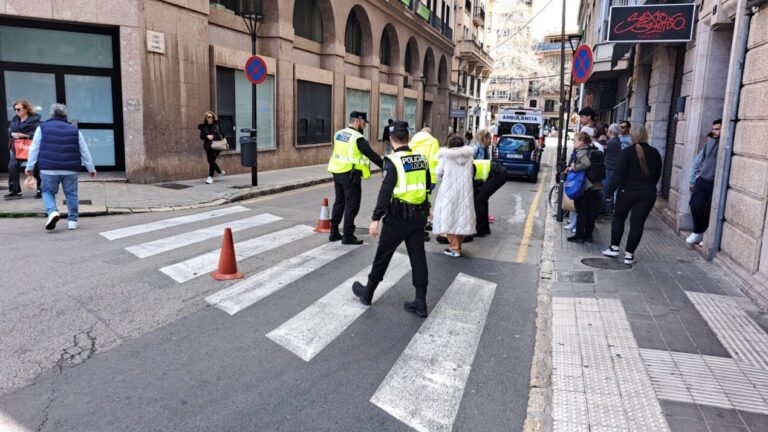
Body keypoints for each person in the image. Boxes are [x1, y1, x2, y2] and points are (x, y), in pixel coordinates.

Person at [351, 121, 431, 317]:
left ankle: (368, 292)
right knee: (418, 258)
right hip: (418, 217)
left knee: (382, 256)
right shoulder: (421, 158)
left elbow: (385, 192)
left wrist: (375, 219)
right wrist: (428, 209)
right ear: (409, 137)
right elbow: (427, 186)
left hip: (397, 218)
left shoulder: (392, 161)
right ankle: (421, 302)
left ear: (390, 139)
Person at [24, 103, 96, 231]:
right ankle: (72, 222)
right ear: (65, 115)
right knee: (71, 194)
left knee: (47, 191)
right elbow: (84, 150)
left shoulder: (43, 127)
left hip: (48, 169)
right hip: (70, 169)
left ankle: (52, 212)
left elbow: (34, 148)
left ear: (51, 114)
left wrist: (29, 166)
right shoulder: (74, 129)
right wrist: (91, 168)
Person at [602, 124, 662, 264]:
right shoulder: (655, 152)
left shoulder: (627, 152)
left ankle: (614, 248)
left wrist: (609, 192)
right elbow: (657, 175)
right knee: (637, 223)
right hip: (647, 193)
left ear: (632, 136)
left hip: (627, 192)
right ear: (646, 135)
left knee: (619, 218)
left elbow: (618, 174)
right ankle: (629, 255)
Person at [327, 111, 384, 245]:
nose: (364, 127)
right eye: (364, 123)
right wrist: (386, 167)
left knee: (339, 202)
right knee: (352, 205)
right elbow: (371, 155)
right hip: (351, 175)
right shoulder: (357, 138)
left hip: (337, 172)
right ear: (358, 121)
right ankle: (348, 235)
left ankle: (334, 232)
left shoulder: (339, 134)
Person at [432, 136, 475, 257]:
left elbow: (438, 173)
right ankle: (458, 246)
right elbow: (471, 173)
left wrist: (444, 182)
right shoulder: (469, 157)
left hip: (449, 191)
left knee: (449, 218)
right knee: (461, 218)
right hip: (465, 191)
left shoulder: (446, 157)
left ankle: (454, 249)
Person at [686, 119, 721, 246]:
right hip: (702, 180)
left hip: (715, 183)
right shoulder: (709, 143)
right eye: (713, 129)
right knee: (695, 205)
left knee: (710, 210)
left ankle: (706, 234)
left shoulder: (727, 143)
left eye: (717, 129)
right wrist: (693, 179)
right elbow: (698, 161)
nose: (714, 131)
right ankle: (698, 231)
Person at [565, 131, 601, 243]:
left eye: (574, 140)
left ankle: (579, 236)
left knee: (581, 211)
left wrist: (573, 167)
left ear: (581, 141)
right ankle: (588, 235)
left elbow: (586, 164)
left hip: (585, 186)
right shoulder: (593, 149)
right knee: (591, 211)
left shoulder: (581, 152)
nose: (573, 143)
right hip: (595, 185)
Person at [472, 129, 506, 237]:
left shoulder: (486, 149)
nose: (491, 141)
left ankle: (481, 229)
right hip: (480, 180)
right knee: (481, 200)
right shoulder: (476, 148)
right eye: (489, 139)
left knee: (480, 200)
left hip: (487, 178)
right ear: (484, 138)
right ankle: (483, 228)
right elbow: (470, 162)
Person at [409, 127, 441, 239]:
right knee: (424, 203)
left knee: (415, 201)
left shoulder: (413, 141)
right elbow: (434, 161)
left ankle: (414, 227)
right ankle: (420, 231)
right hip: (427, 177)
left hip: (413, 176)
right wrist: (433, 178)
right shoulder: (433, 141)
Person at [6, 99, 42, 199]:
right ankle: (15, 190)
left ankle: (40, 190)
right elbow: (10, 130)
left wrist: (24, 135)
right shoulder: (15, 119)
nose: (16, 111)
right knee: (12, 166)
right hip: (18, 148)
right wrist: (12, 134)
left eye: (18, 109)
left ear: (25, 109)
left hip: (31, 148)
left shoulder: (35, 120)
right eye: (14, 109)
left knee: (37, 167)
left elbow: (37, 133)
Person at [198, 111, 225, 184]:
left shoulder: (217, 125)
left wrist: (213, 137)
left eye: (212, 117)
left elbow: (222, 135)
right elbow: (201, 137)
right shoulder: (203, 126)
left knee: (211, 161)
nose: (210, 118)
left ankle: (210, 177)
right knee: (210, 161)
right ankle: (220, 172)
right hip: (208, 145)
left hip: (217, 145)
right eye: (209, 117)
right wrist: (207, 136)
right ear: (206, 118)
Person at [602, 123, 623, 215]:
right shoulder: (616, 140)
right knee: (608, 188)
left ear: (610, 131)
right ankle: (608, 209)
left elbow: (601, 149)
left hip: (610, 168)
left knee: (606, 188)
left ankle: (607, 209)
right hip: (612, 168)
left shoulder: (611, 142)